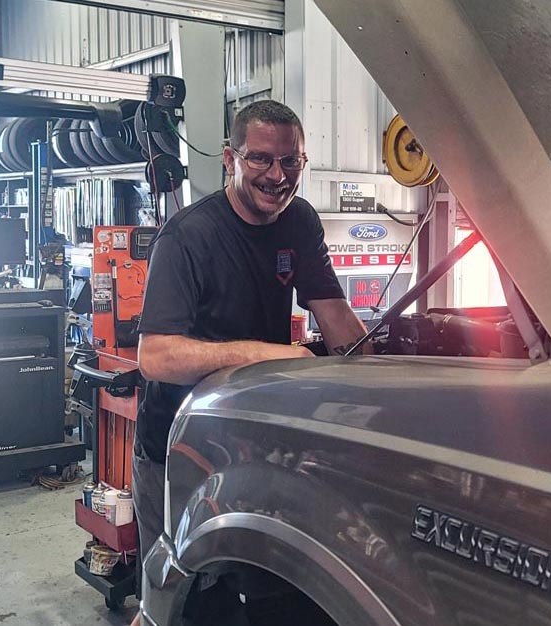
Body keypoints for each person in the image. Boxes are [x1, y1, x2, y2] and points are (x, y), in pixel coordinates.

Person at [129, 100, 367, 625]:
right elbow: (155, 356)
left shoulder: (299, 221)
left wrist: (377, 372)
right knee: (171, 597)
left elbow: (334, 316)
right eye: (260, 159)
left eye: (290, 161)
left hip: (250, 448)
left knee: (247, 597)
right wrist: (271, 355)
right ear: (229, 159)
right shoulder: (188, 237)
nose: (277, 176)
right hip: (176, 451)